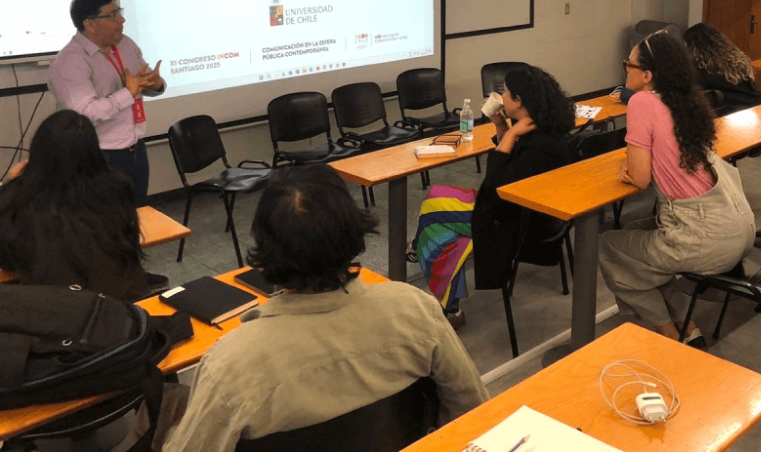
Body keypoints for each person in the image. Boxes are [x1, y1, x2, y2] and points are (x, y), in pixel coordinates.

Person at [161, 165, 488, 452]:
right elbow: (473, 408)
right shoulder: (416, 309)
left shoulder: (229, 365)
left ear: (264, 245)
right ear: (354, 230)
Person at [598, 32, 755, 347]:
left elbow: (640, 179)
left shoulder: (642, 101)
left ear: (647, 75)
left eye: (628, 64)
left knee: (607, 246)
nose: (624, 68)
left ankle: (668, 332)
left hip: (704, 239)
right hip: (738, 227)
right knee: (636, 230)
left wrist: (630, 170)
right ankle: (687, 325)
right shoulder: (685, 101)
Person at [411, 65, 575, 324]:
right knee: (434, 195)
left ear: (519, 101)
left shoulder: (538, 146)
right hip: (514, 209)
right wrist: (501, 126)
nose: (501, 96)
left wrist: (508, 134)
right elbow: (510, 170)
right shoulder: (539, 129)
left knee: (435, 224)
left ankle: (447, 304)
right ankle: (439, 288)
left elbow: (494, 187)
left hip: (514, 223)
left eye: (506, 92)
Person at [0, 110, 155, 300]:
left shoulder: (16, 197)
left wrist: (16, 182)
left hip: (63, 313)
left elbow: (7, 261)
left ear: (38, 151)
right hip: (127, 303)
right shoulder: (117, 186)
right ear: (94, 150)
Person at [47, 0, 166, 205]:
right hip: (98, 156)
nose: (121, 20)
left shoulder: (125, 44)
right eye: (112, 15)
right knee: (106, 223)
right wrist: (127, 93)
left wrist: (156, 84)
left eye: (119, 12)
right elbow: (83, 114)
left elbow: (143, 80)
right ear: (90, 24)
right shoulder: (70, 62)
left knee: (138, 216)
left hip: (135, 147)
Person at [682, 22, 761, 116]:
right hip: (756, 107)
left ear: (694, 47)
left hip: (731, 115)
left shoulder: (701, 68)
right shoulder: (737, 59)